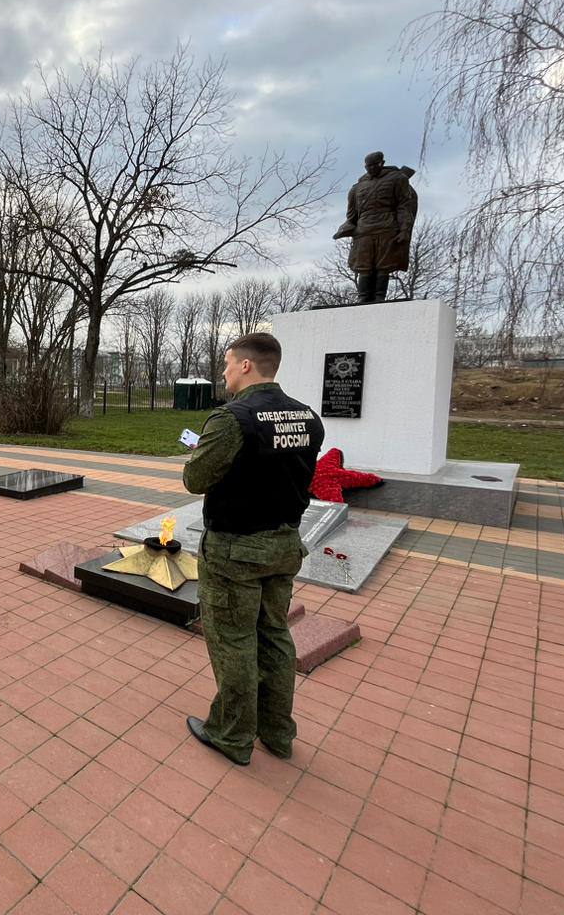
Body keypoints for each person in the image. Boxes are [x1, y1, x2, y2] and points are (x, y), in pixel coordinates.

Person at [181, 332, 324, 765]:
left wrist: (197, 453)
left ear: (246, 365)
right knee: (276, 637)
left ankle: (231, 733)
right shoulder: (308, 417)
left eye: (227, 363)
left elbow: (195, 479)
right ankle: (278, 733)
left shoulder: (233, 418)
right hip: (283, 545)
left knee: (234, 641)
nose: (224, 371)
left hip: (235, 551)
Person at [332, 151, 417, 304]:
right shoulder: (356, 188)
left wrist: (405, 229)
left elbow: (404, 207)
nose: (370, 169)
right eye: (367, 166)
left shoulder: (397, 179)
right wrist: (344, 229)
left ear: (382, 163)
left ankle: (379, 297)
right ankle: (363, 298)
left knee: (383, 265)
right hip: (363, 231)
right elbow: (351, 216)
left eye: (374, 165)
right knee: (363, 265)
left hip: (387, 228)